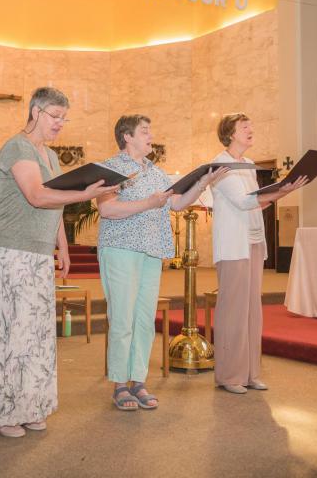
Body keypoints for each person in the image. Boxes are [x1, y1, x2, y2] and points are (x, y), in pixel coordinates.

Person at [0, 86, 118, 438]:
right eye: (55, 116)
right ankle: (4, 412)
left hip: (38, 253)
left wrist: (63, 247)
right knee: (11, 332)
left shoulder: (50, 156)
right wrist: (86, 194)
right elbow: (37, 196)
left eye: (64, 118)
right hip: (11, 250)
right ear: (36, 112)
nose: (60, 124)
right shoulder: (17, 147)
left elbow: (57, 206)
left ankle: (31, 407)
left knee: (36, 334)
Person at [97, 115, 227, 411]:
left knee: (144, 320)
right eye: (145, 131)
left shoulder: (156, 172)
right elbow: (107, 210)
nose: (150, 136)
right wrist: (148, 203)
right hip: (120, 248)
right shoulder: (110, 168)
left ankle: (138, 380)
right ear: (127, 137)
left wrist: (202, 182)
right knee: (122, 318)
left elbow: (178, 204)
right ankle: (120, 384)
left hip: (151, 250)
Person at [210, 113, 308, 394]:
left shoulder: (250, 165)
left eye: (251, 125)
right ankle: (229, 375)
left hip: (253, 240)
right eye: (245, 127)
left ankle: (250, 372)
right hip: (233, 245)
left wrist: (282, 193)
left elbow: (257, 204)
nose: (251, 130)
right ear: (230, 134)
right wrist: (279, 191)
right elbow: (242, 202)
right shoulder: (221, 165)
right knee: (233, 310)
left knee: (253, 309)